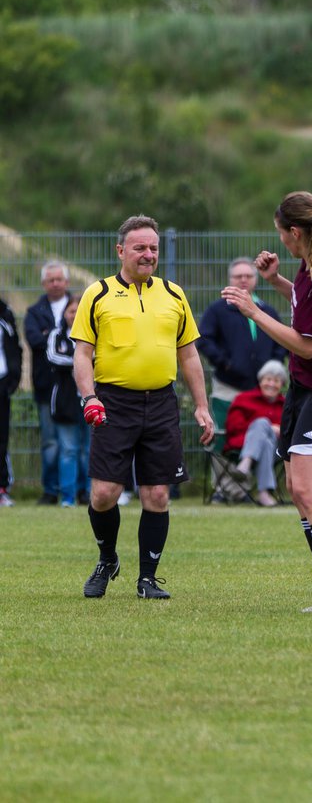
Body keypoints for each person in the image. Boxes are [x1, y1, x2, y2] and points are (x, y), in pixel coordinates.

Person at [221, 191, 312, 614]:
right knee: (295, 487)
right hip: (309, 385)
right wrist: (277, 283)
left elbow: (305, 344)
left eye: (281, 233)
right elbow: (309, 309)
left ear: (295, 232)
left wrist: (254, 310)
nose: (280, 241)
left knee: (305, 486)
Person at [72, 215, 216, 600]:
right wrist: (90, 397)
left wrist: (202, 406)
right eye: (140, 248)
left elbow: (188, 355)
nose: (148, 254)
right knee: (104, 494)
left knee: (157, 496)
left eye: (153, 248)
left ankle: (148, 579)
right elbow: (82, 354)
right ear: (121, 251)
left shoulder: (173, 294)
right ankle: (107, 559)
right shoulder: (97, 294)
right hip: (113, 403)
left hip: (162, 403)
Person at [197, 257, 287, 426]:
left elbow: (281, 341)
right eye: (238, 276)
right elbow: (204, 340)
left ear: (256, 279)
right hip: (229, 386)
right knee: (229, 434)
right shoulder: (217, 310)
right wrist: (225, 363)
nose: (243, 280)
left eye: (248, 276)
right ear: (230, 279)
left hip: (263, 389)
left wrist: (274, 364)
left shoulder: (267, 311)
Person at [24, 260, 72, 505]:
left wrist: (50, 337)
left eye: (59, 279)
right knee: (51, 441)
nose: (55, 283)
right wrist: (59, 339)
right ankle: (51, 490)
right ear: (44, 283)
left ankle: (76, 490)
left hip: (75, 387)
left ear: (67, 282)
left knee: (78, 443)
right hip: (46, 386)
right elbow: (34, 340)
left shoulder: (79, 306)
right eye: (50, 280)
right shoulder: (34, 312)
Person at [224, 360, 288, 507]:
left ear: (282, 384)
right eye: (268, 379)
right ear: (260, 380)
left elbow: (292, 430)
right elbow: (233, 427)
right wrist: (262, 429)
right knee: (263, 432)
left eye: (276, 381)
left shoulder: (286, 405)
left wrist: (276, 430)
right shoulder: (244, 399)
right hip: (241, 445)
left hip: (278, 451)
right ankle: (264, 494)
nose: (271, 384)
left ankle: (245, 464)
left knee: (264, 428)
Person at [46, 295, 90, 507]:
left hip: (91, 400)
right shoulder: (57, 335)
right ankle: (68, 496)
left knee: (89, 449)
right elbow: (53, 357)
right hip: (65, 401)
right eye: (72, 311)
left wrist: (82, 361)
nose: (75, 314)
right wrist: (81, 360)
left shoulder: (95, 333)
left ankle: (89, 493)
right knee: (69, 449)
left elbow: (100, 359)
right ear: (65, 313)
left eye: (79, 310)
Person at [0, 293, 19, 507]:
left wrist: (12, 380)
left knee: (1, 439)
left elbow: (16, 348)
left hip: (2, 385)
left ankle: (2, 488)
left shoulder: (5, 313)